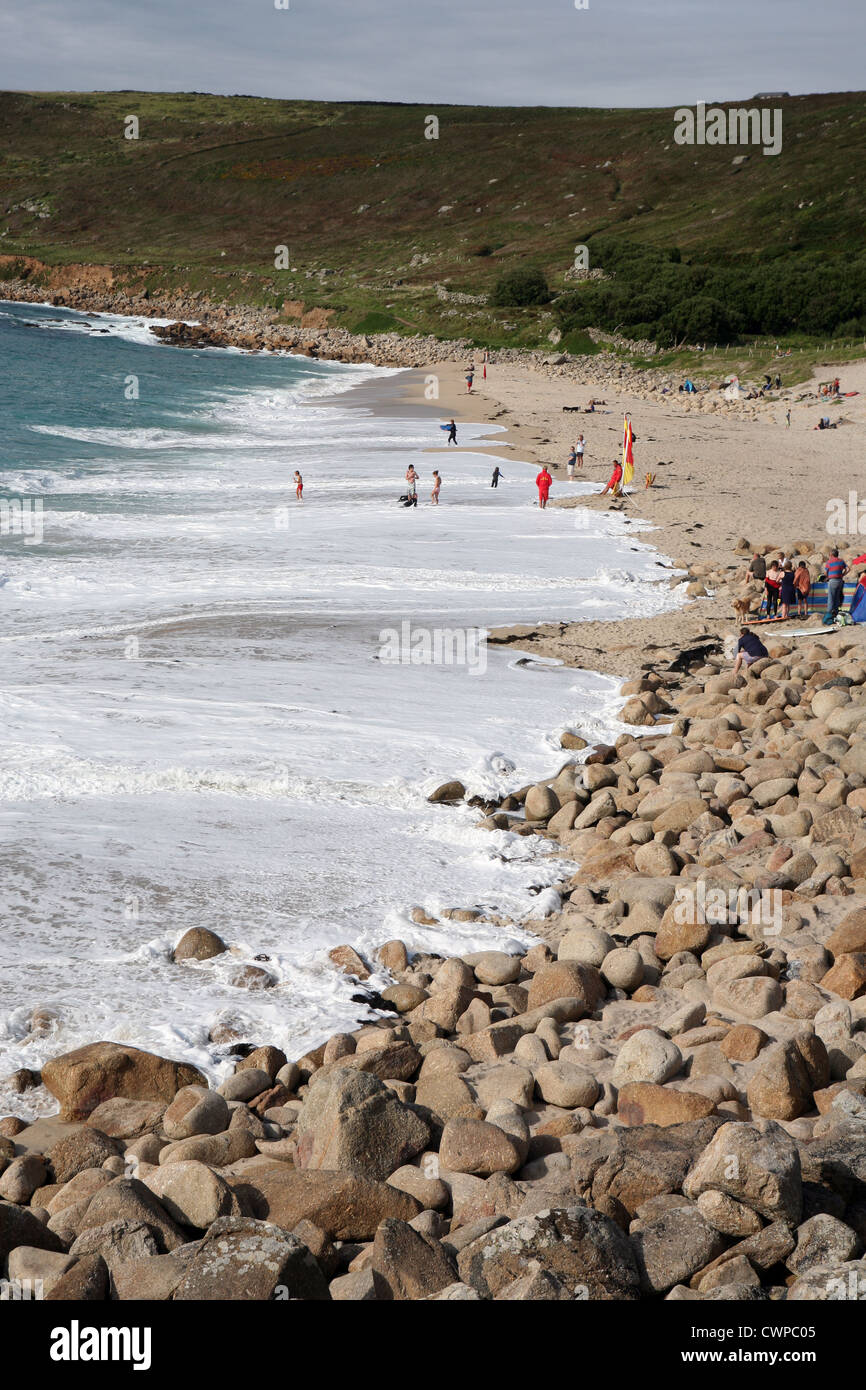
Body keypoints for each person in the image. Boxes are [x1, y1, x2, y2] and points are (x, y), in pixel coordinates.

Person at [824, 547, 849, 621]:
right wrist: (842, 575)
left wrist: (828, 577)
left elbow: (825, 573)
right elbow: (848, 569)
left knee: (831, 598)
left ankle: (829, 614)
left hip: (832, 581)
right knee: (837, 597)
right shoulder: (841, 561)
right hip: (840, 581)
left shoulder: (829, 562)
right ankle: (837, 612)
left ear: (831, 555)